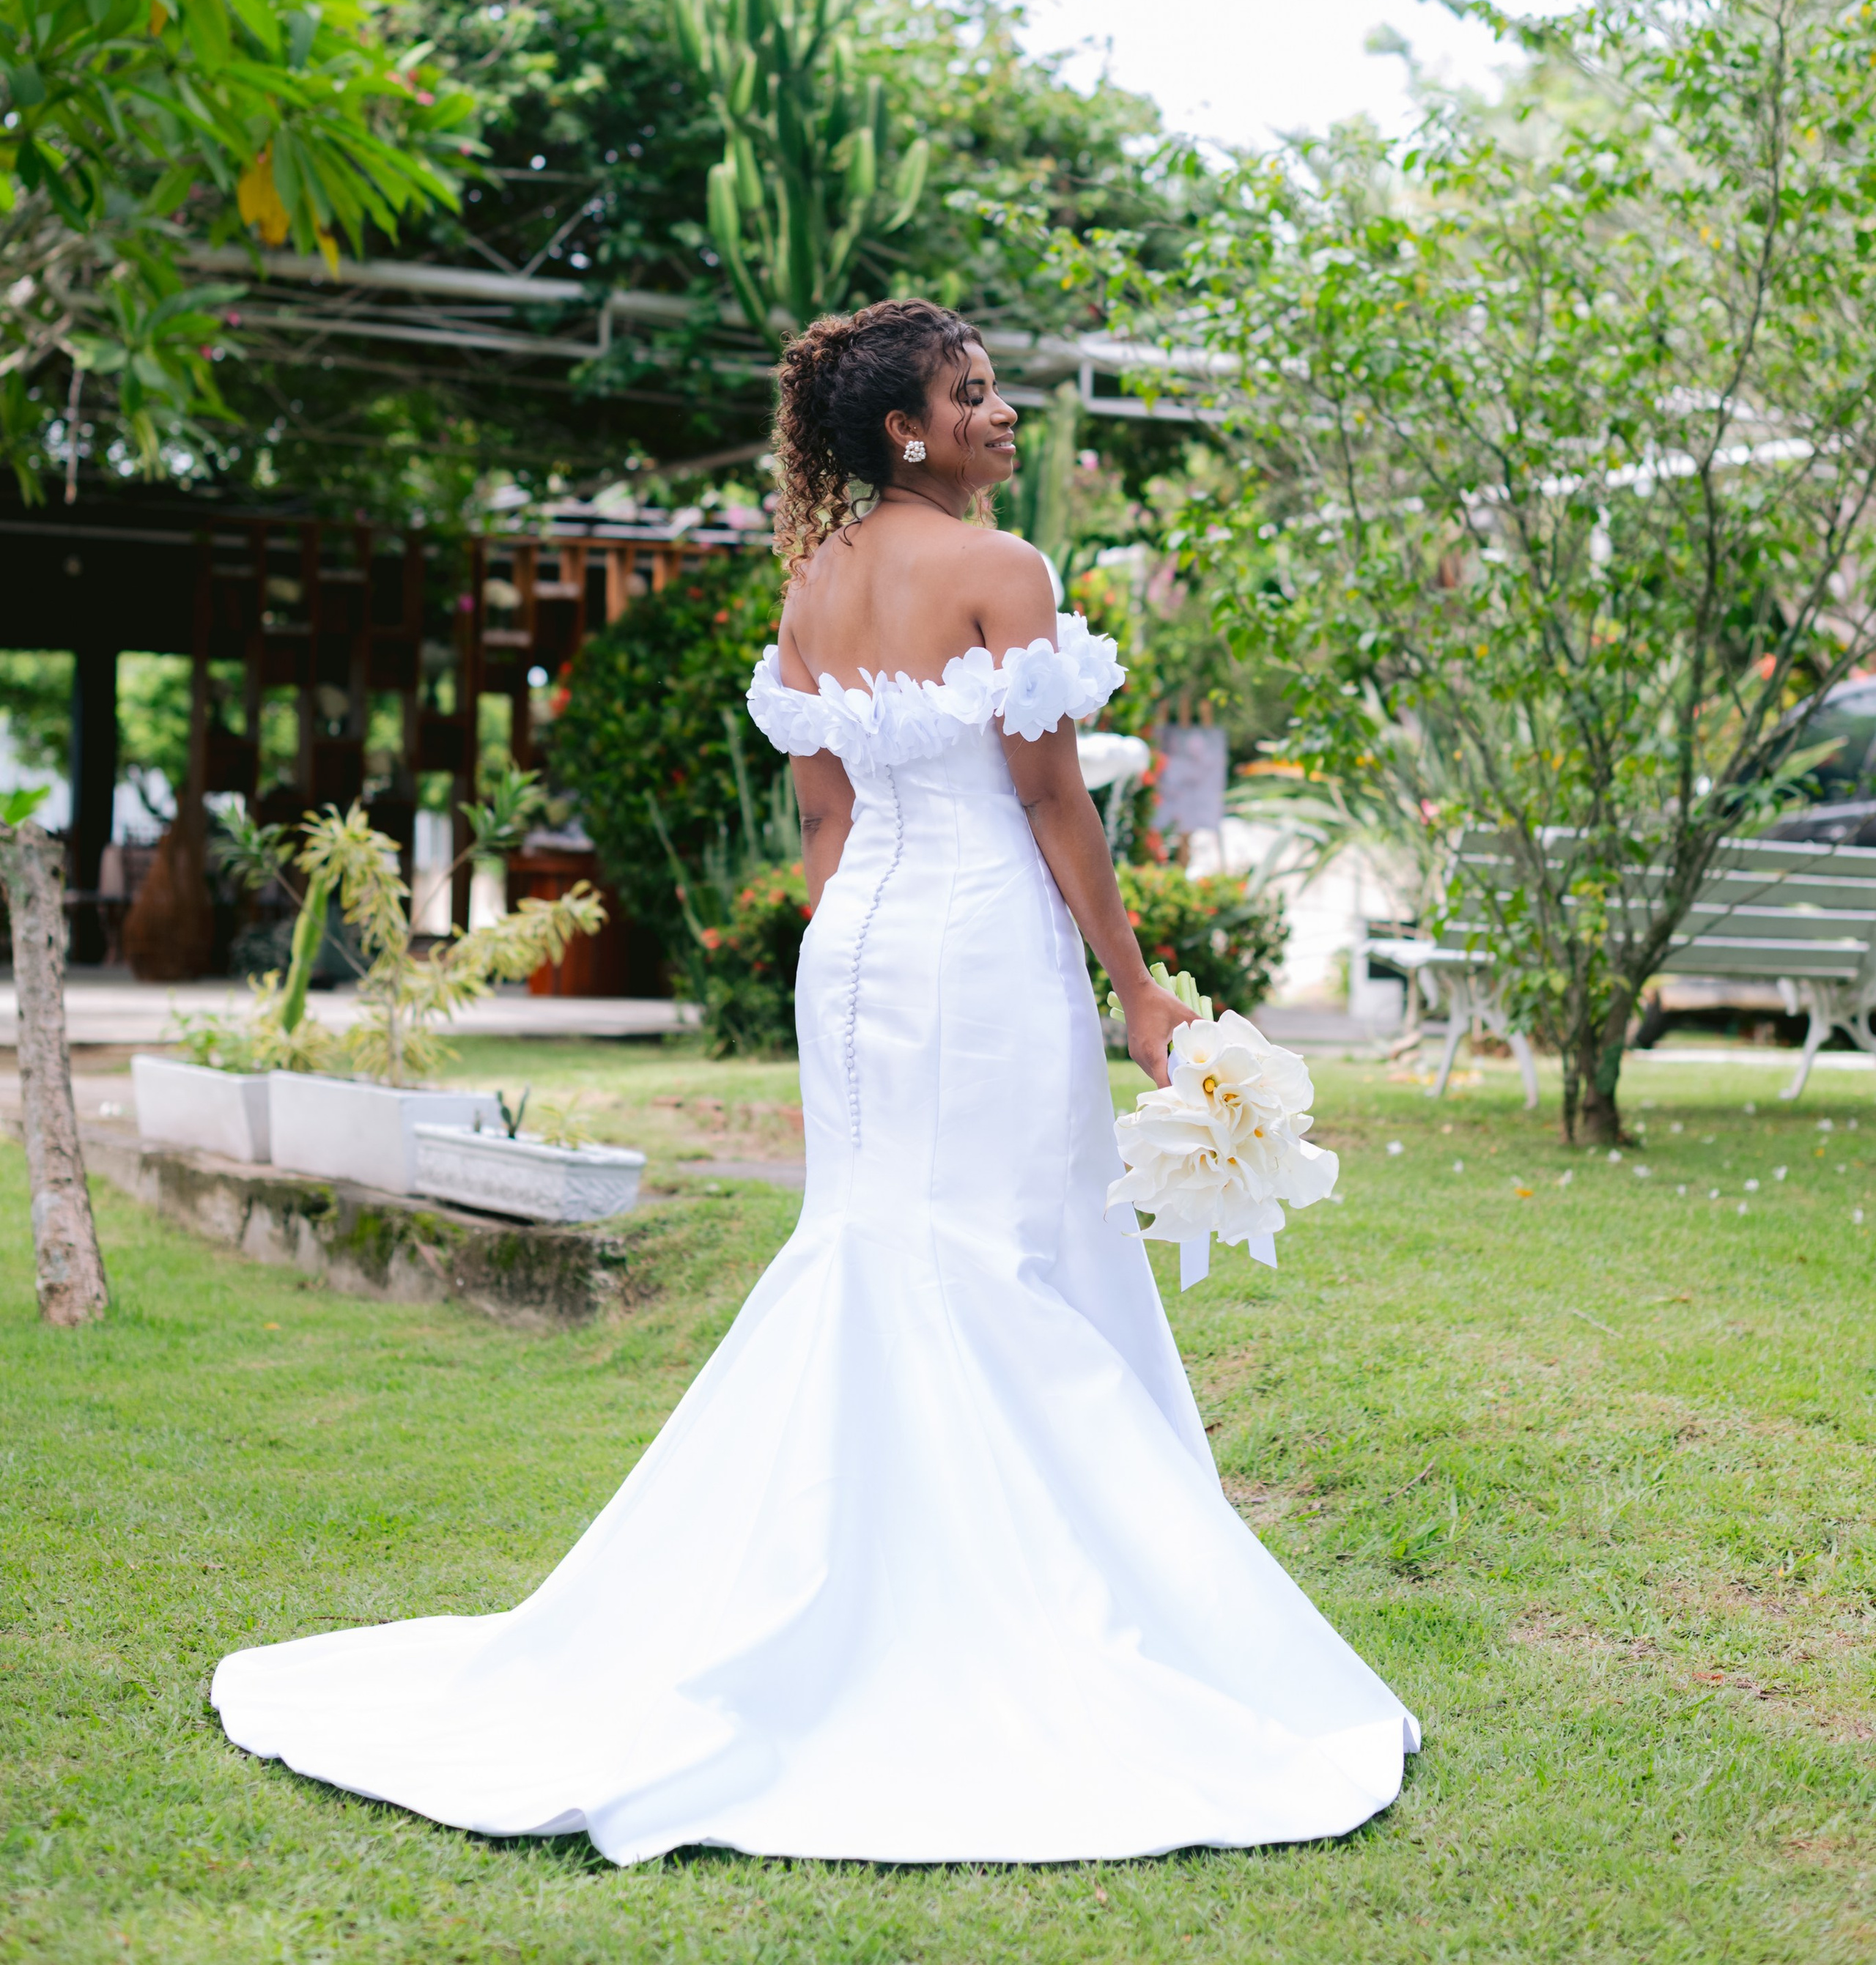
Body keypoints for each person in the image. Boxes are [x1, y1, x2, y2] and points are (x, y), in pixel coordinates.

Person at [213, 298, 1417, 1862]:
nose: (999, 416)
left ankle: (863, 1582)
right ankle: (988, 1609)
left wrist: (841, 967)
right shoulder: (1004, 572)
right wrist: (1135, 990)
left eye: (993, 390)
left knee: (881, 1242)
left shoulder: (812, 585)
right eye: (968, 395)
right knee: (996, 1249)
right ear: (902, 431)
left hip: (851, 957)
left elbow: (825, 829)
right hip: (980, 946)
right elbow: (1054, 803)